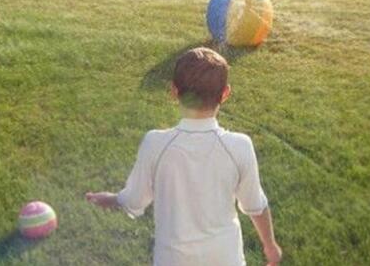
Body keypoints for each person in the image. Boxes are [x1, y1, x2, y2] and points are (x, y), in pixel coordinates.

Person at [86, 47, 282, 266]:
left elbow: (134, 200)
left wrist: (112, 199)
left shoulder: (155, 144)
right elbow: (255, 205)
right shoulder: (240, 146)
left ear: (174, 91)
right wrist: (270, 245)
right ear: (225, 93)